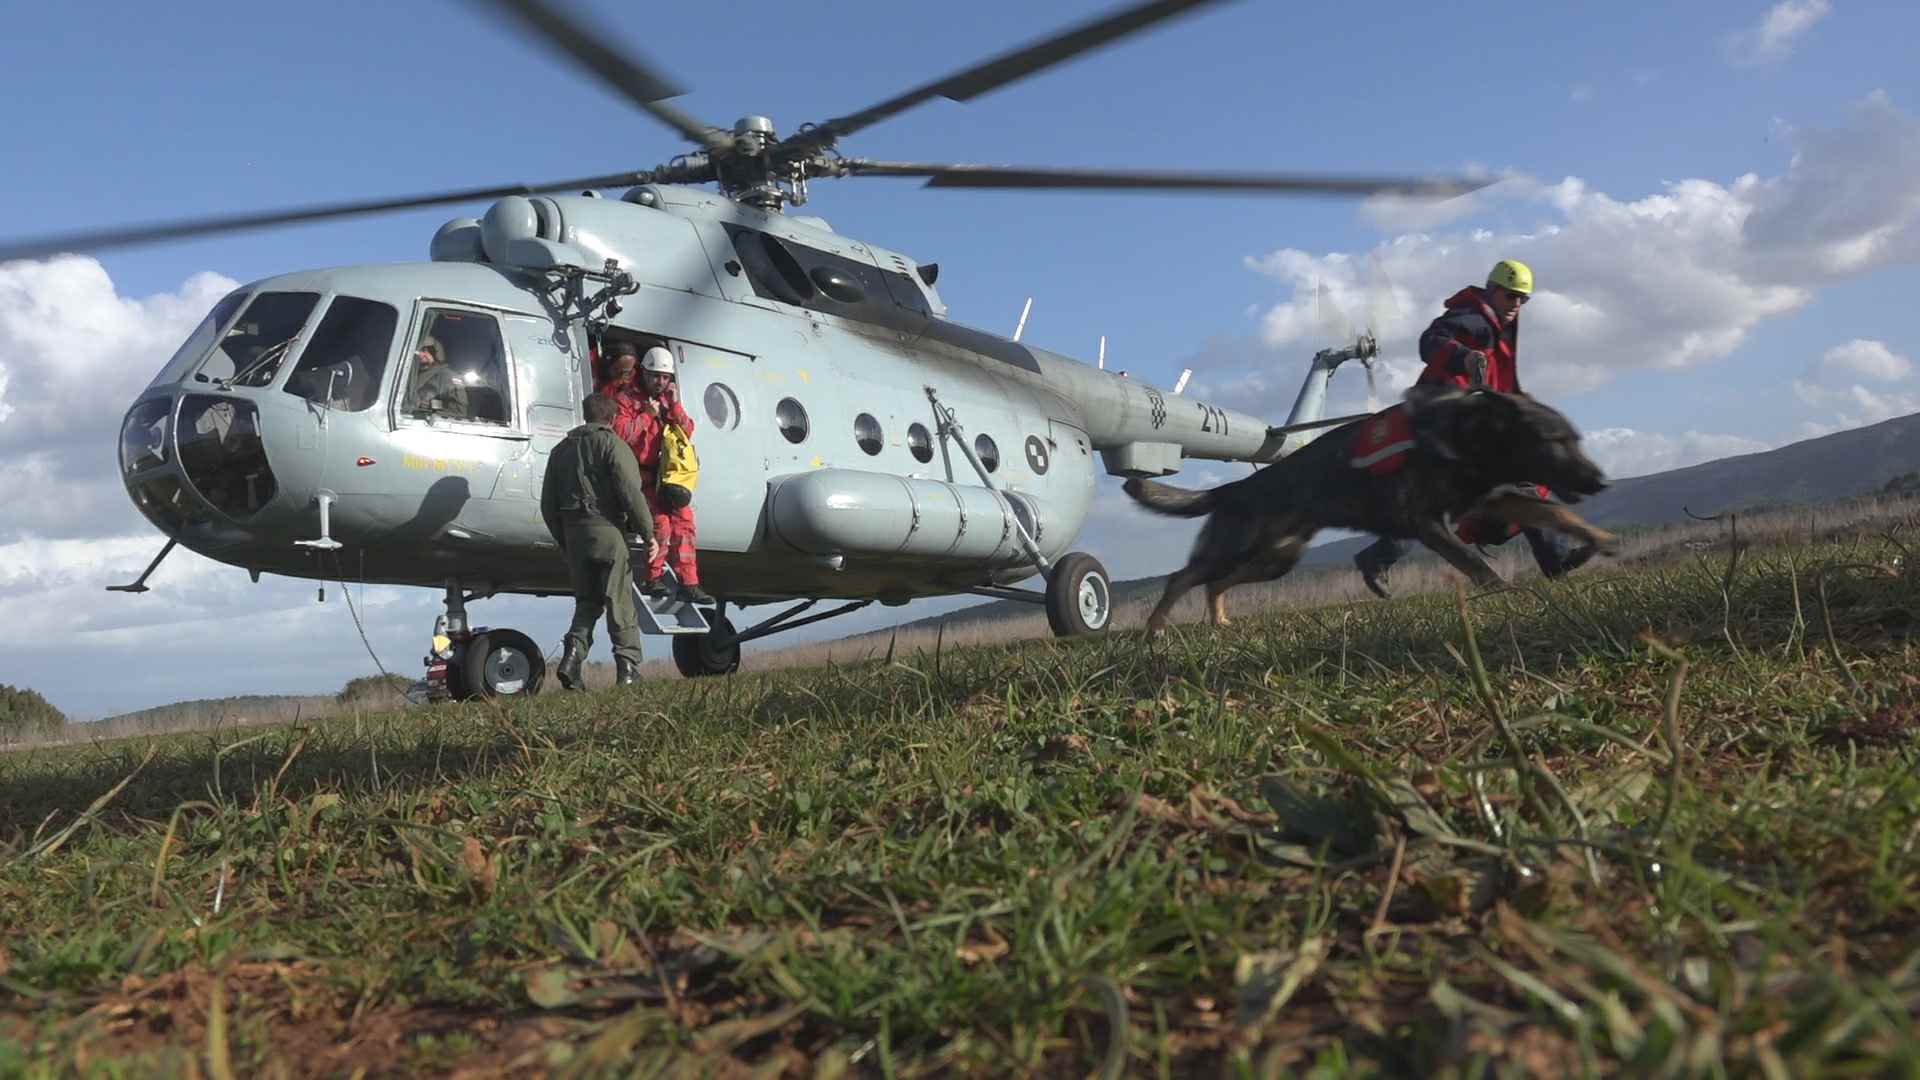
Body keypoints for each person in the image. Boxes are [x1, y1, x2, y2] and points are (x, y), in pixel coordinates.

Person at [1352, 259, 1595, 596]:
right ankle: (1556, 560)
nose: (1517, 304)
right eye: (1511, 296)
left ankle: (1556, 560)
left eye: (1523, 299)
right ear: (1494, 291)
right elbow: (1430, 341)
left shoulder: (1497, 327)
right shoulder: (1473, 317)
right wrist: (1462, 356)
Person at [541, 393, 661, 689]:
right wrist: (649, 534)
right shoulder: (613, 445)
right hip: (606, 530)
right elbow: (630, 492)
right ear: (611, 418)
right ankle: (628, 669)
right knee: (618, 601)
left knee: (588, 601)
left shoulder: (559, 451)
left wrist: (565, 540)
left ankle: (572, 659)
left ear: (586, 415)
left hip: (574, 535)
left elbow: (547, 505)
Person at [614, 346, 711, 604]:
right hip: (639, 475)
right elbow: (622, 434)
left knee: (685, 524)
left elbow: (688, 430)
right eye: (655, 376)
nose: (660, 382)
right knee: (661, 524)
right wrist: (648, 415)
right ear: (643, 373)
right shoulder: (625, 399)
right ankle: (653, 578)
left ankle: (689, 584)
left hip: (666, 476)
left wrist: (674, 406)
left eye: (665, 377)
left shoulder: (669, 400)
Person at [408, 336, 469, 419]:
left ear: (435, 353)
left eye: (425, 351)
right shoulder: (412, 375)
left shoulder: (448, 376)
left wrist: (430, 405)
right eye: (419, 351)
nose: (420, 354)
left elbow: (460, 410)